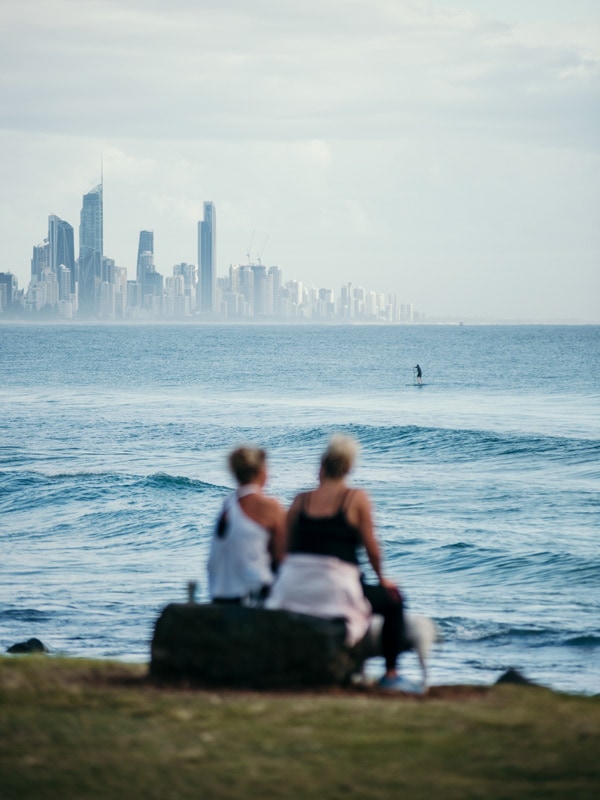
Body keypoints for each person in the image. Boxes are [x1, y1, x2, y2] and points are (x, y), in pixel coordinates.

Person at [266, 435, 406, 689]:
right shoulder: (356, 498)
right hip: (334, 586)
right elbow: (372, 549)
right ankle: (391, 675)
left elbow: (283, 548)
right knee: (394, 602)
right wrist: (382, 579)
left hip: (293, 586)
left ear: (321, 467)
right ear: (349, 468)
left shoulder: (300, 500)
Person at [207, 446, 286, 605]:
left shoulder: (227, 505)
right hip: (250, 594)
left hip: (218, 592)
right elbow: (282, 555)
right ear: (260, 472)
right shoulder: (268, 506)